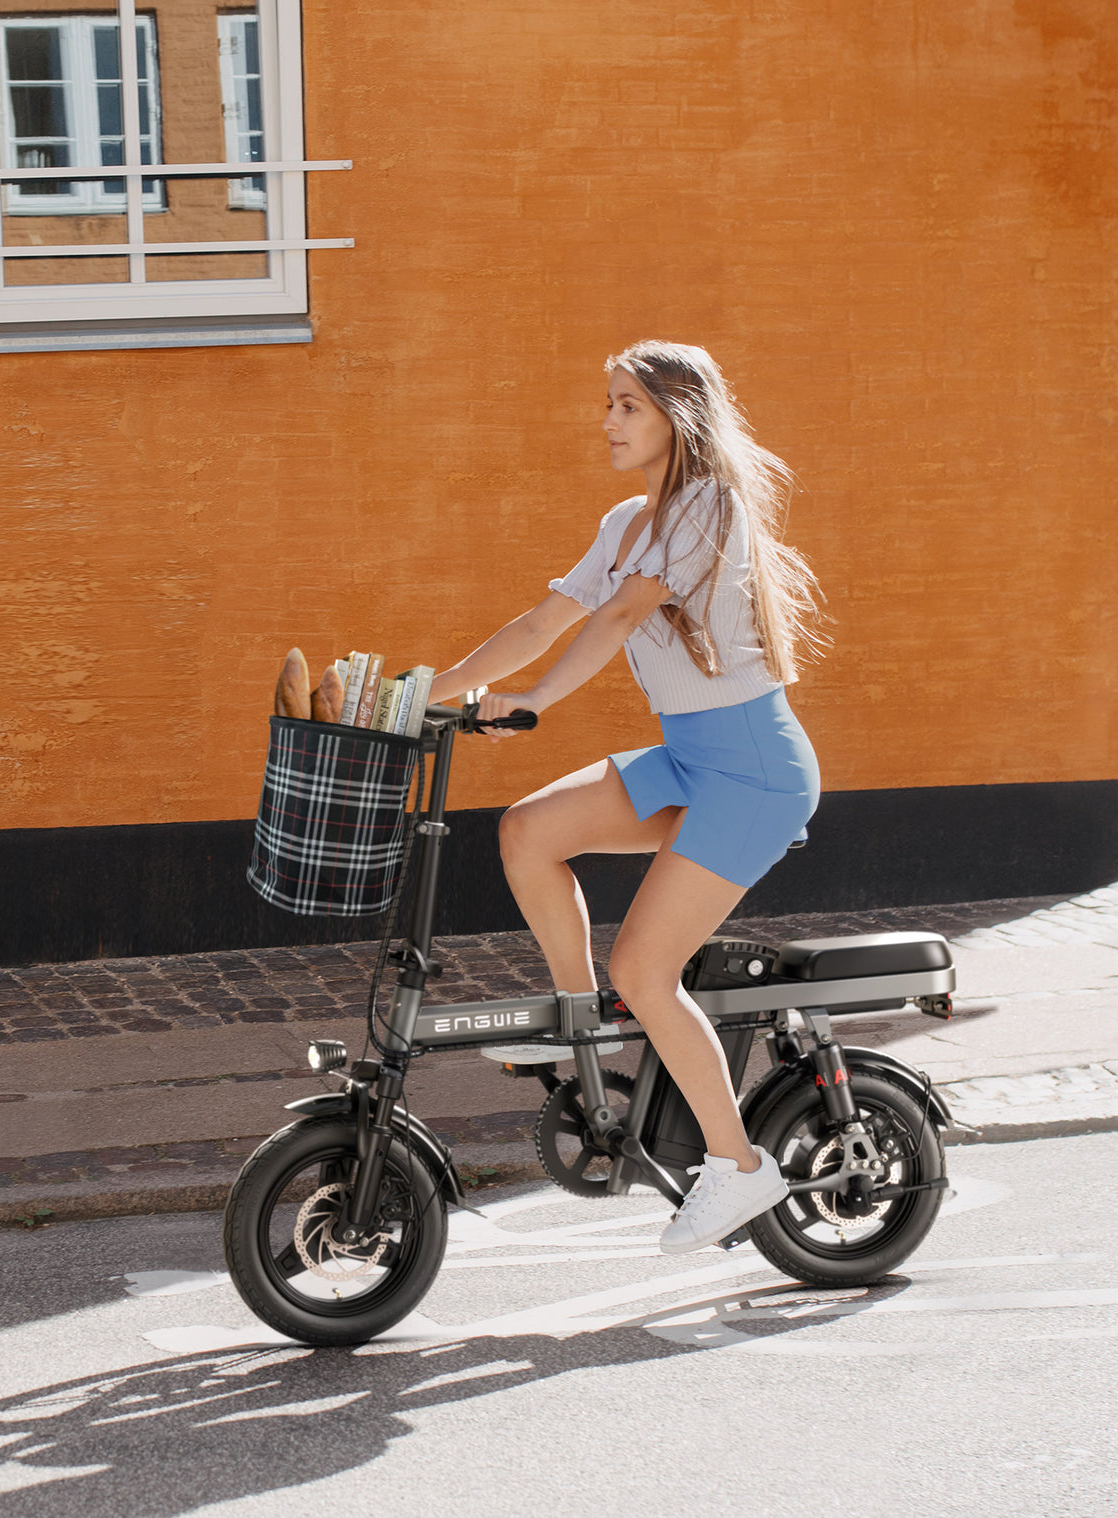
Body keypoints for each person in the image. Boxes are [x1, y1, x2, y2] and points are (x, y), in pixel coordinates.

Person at [427, 339, 828, 1253]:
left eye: (627, 406)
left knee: (645, 971)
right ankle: (579, 1034)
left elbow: (617, 617)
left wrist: (532, 700)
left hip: (754, 770)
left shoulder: (706, 508)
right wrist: (436, 687)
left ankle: (738, 1169)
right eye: (607, 403)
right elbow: (546, 618)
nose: (606, 421)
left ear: (676, 418)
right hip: (690, 756)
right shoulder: (623, 522)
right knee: (528, 831)